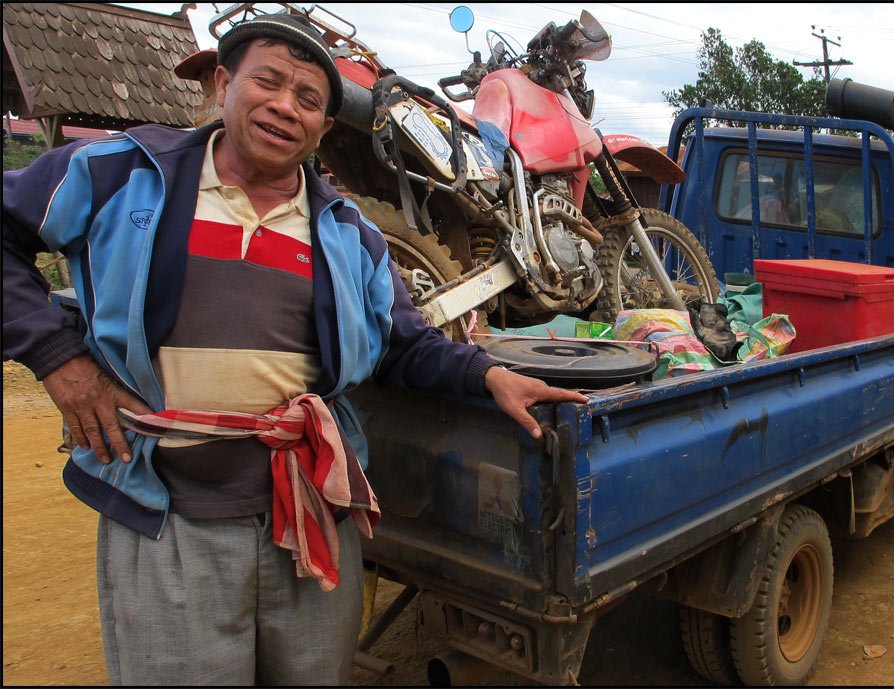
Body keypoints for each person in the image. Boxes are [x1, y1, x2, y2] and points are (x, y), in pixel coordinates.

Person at [1, 12, 587, 686]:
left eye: (309, 100)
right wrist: (60, 361)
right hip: (169, 524)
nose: (286, 107)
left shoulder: (349, 232)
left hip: (309, 516)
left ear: (324, 129)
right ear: (223, 84)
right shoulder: (127, 174)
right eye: (269, 83)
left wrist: (487, 376)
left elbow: (404, 342)